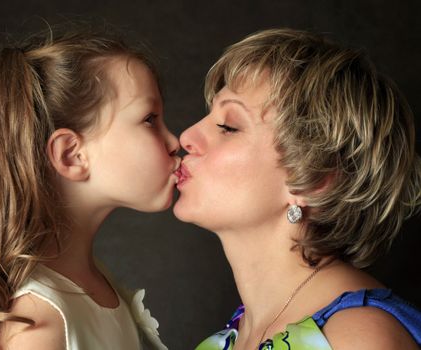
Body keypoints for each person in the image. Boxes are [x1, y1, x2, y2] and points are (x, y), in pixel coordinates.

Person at [0, 25, 178, 350]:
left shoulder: (95, 284)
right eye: (149, 119)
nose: (175, 141)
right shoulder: (36, 328)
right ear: (71, 155)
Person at [173, 28, 421, 349]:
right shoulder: (225, 341)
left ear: (315, 180)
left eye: (228, 126)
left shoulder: (356, 339)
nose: (187, 136)